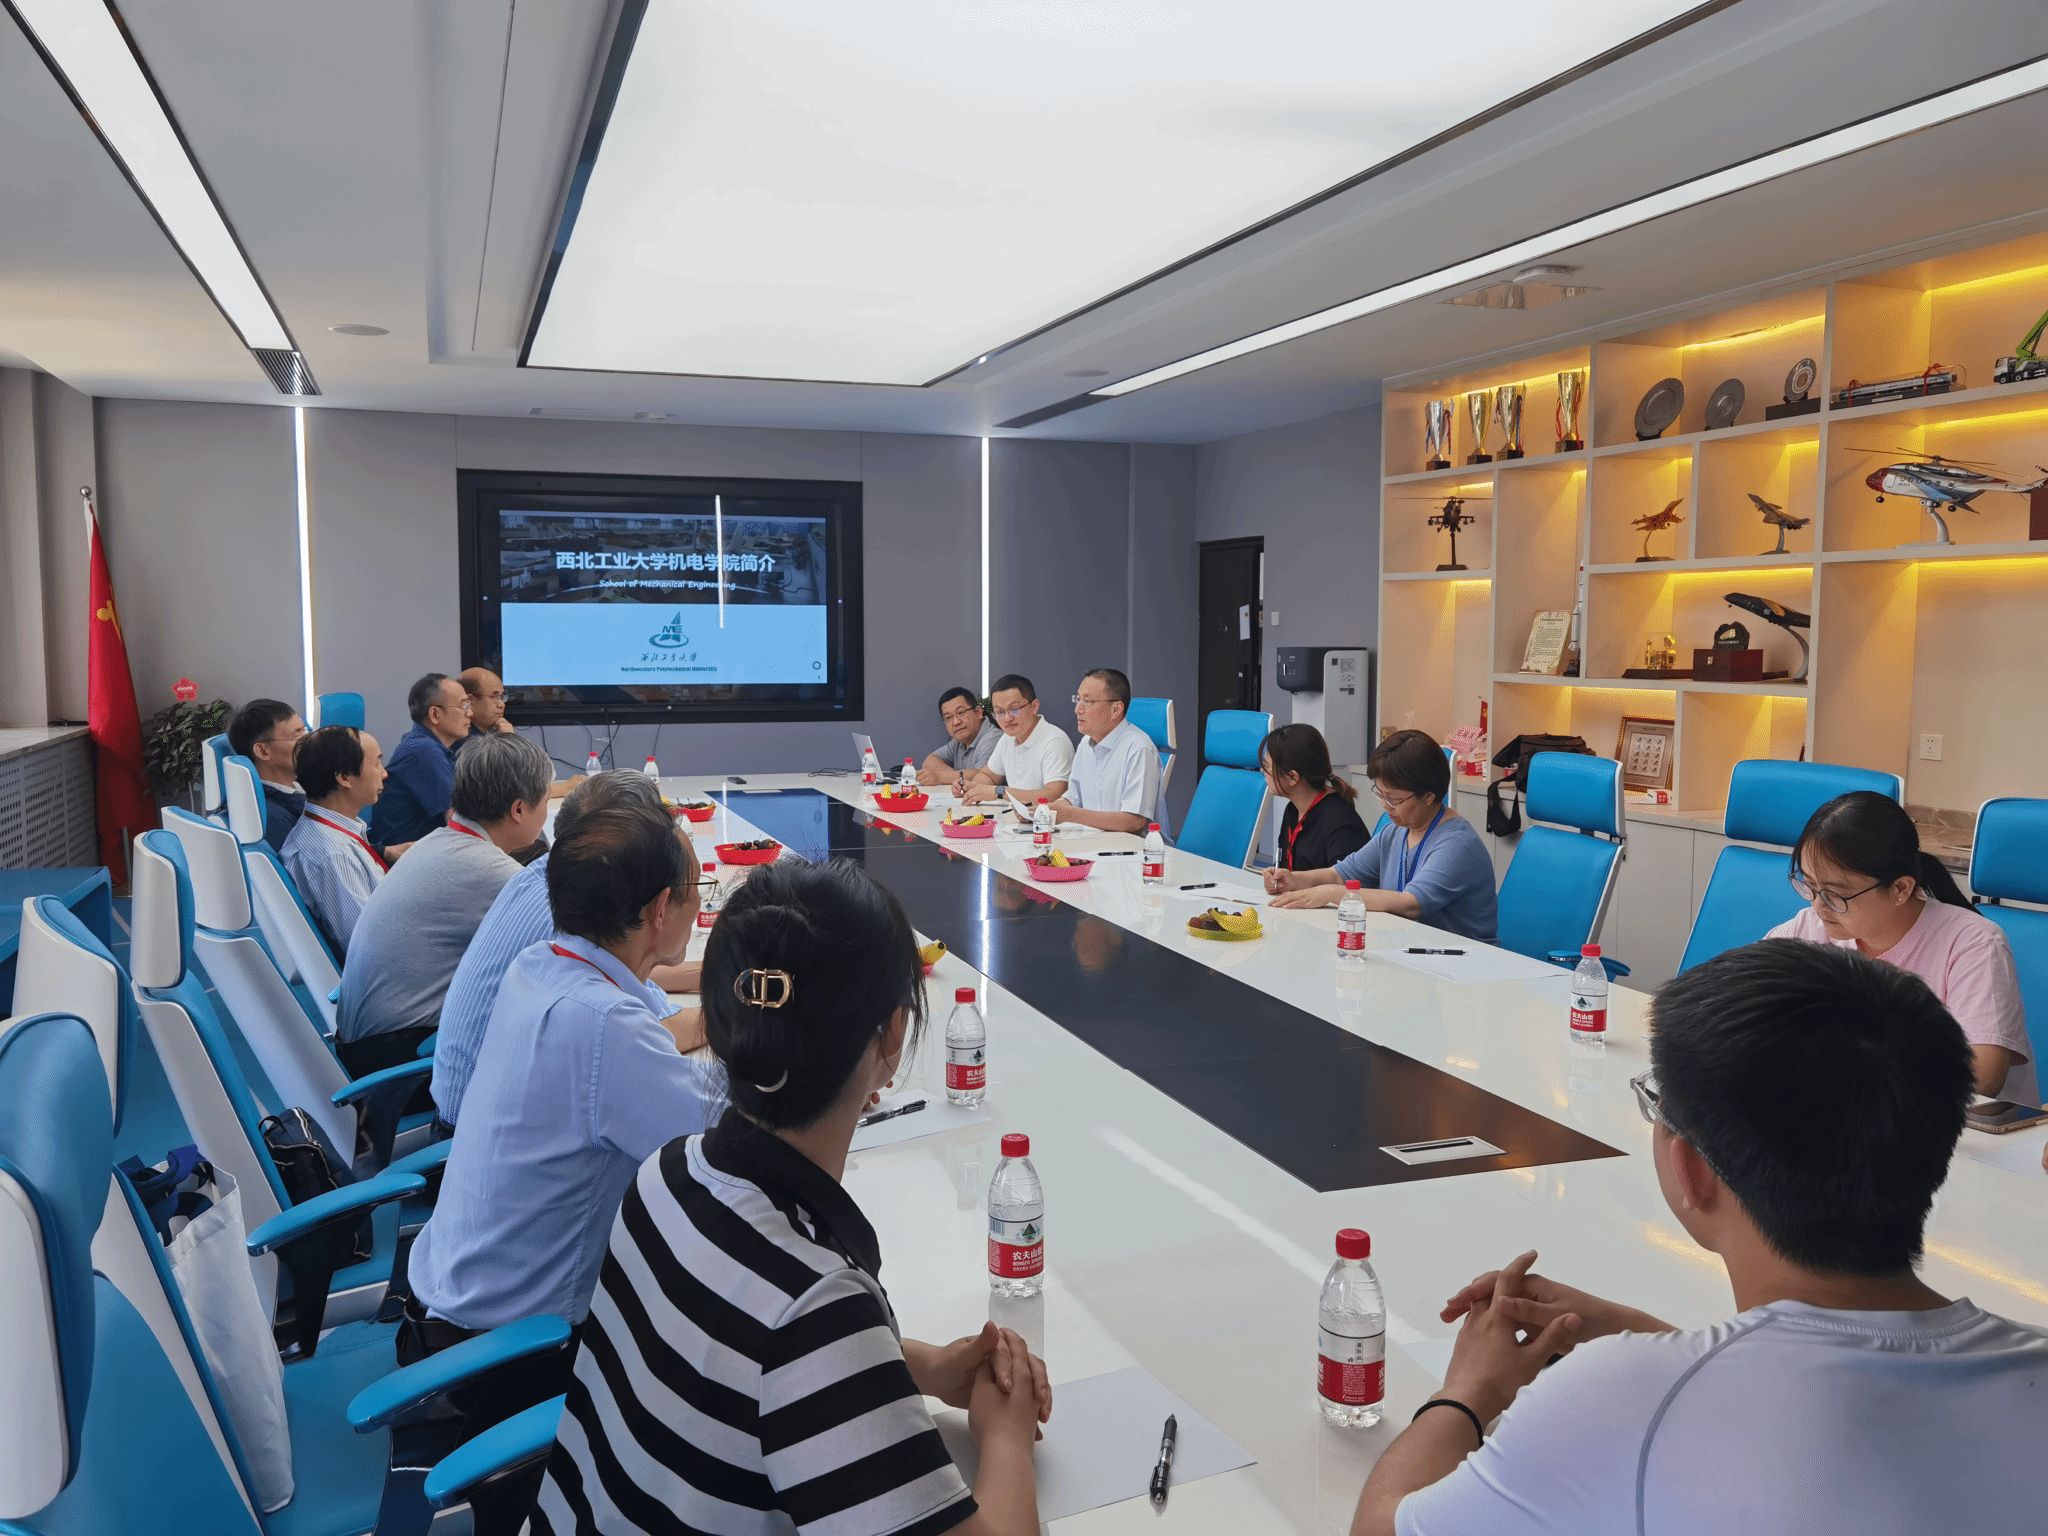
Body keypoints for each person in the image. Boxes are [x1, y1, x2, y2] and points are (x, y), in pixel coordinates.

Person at [1353, 938, 2048, 1536]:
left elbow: (1382, 1528)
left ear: (1692, 1168)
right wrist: (1639, 1332)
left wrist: (1470, 1389)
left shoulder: (1620, 1400)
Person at [528, 858, 1050, 1536]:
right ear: (892, 1037)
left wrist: (917, 1366)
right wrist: (1006, 1436)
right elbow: (796, 1339)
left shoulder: (668, 1171)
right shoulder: (815, 1308)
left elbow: (742, 1350)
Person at [404, 795, 727, 1535]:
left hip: (454, 1306)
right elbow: (724, 1148)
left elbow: (662, 1048)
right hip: (512, 1358)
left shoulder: (547, 966)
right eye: (696, 891)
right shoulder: (601, 1023)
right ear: (660, 910)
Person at [430, 770, 707, 1128]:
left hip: (476, 1112)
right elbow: (651, 1036)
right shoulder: (580, 922)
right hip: (461, 1125)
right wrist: (746, 1017)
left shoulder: (548, 888)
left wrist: (716, 976)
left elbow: (635, 984)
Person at [1768, 790, 2034, 1102]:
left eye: (1836, 894)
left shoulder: (1973, 944)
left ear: (1900, 889)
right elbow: (1739, 1010)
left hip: (1954, 1126)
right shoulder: (1808, 930)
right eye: (1809, 885)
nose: (1818, 906)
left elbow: (1981, 1078)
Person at [335, 731, 550, 1081]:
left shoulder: (436, 842)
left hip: (367, 1044)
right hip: (401, 1062)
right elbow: (574, 954)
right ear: (519, 809)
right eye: (545, 800)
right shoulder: (491, 872)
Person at [1266, 728, 1496, 945]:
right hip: (1409, 950)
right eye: (1381, 795)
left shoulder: (1457, 843)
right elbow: (1339, 875)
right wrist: (1294, 880)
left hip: (1461, 959)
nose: (1385, 806)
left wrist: (1331, 894)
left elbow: (1410, 903)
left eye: (1394, 799)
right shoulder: (1396, 831)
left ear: (1428, 796)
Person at [279, 725, 389, 958]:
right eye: (377, 763)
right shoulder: (334, 855)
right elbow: (372, 948)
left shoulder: (333, 831)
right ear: (345, 777)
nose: (384, 773)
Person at [1049, 667, 1158, 834]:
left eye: (1087, 701)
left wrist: (1069, 815)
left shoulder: (1138, 748)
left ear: (1116, 709)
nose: (1078, 709)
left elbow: (1134, 822)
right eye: (1078, 699)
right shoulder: (1085, 743)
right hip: (1094, 840)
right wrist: (1044, 812)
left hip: (1130, 846)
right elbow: (1072, 798)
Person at [367, 672, 471, 845]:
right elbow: (457, 821)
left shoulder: (425, 745)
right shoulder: (424, 751)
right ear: (435, 714)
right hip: (404, 857)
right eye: (464, 706)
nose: (470, 713)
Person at [1261, 722, 1369, 874]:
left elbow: (1342, 882)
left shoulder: (1341, 822)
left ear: (1292, 777)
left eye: (1267, 768)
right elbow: (1284, 865)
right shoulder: (1293, 810)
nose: (1264, 773)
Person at [960, 673, 1072, 806]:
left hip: (1044, 818)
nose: (1007, 718)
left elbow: (1055, 795)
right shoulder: (1007, 738)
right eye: (1000, 712)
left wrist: (999, 792)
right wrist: (972, 787)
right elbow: (989, 775)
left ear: (1034, 707)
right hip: (1017, 815)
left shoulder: (1055, 741)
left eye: (1014, 709)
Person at [226, 697, 306, 853]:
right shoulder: (272, 819)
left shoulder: (302, 789)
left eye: (305, 732)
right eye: (297, 736)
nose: (309, 742)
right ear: (263, 751)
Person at [917, 685, 1002, 785]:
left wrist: (940, 777)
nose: (956, 722)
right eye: (948, 717)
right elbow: (929, 761)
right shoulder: (959, 741)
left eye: (961, 712)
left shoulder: (993, 739)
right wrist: (955, 777)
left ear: (978, 712)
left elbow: (986, 776)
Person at [458, 666, 516, 740]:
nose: (502, 705)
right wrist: (508, 739)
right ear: (470, 701)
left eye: (501, 696)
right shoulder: (466, 741)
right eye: (495, 697)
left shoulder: (493, 732)